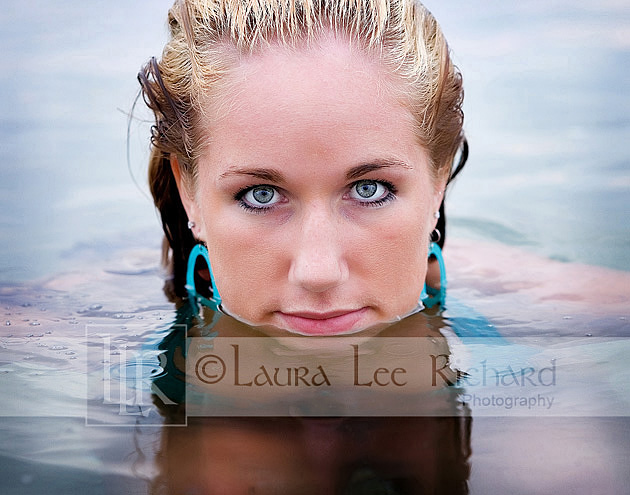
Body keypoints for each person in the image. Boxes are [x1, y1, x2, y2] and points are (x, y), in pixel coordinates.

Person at [138, 0, 467, 337]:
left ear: (438, 181)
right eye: (261, 195)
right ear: (189, 193)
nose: (318, 273)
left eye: (369, 190)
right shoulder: (108, 332)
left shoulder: (501, 294)